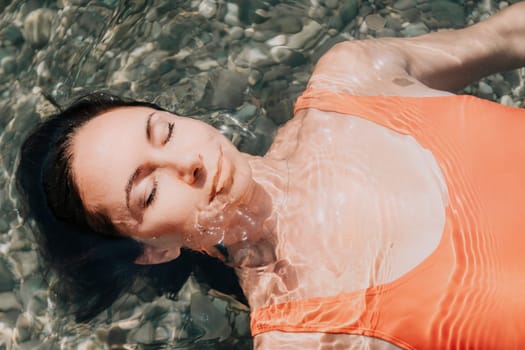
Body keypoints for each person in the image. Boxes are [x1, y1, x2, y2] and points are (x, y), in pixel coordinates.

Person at [16, 2, 525, 349]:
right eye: (149, 192)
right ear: (154, 250)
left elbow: (508, 34)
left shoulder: (355, 79)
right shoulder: (308, 335)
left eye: (164, 131)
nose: (187, 163)